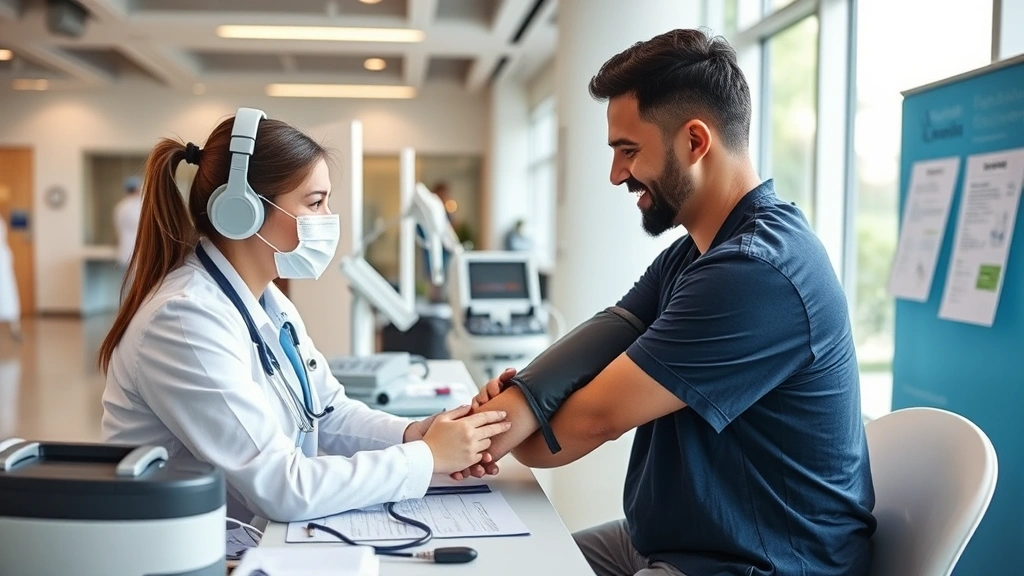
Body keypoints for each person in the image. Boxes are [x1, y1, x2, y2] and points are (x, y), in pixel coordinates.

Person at [460, 29, 876, 576]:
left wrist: (502, 428)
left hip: (758, 561)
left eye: (628, 151)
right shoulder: (695, 254)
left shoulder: (757, 271)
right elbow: (602, 338)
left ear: (695, 142)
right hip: (682, 536)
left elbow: (592, 421)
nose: (616, 175)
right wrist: (519, 403)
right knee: (503, 565)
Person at [98, 108, 508, 525]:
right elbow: (283, 487)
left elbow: (328, 412)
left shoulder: (268, 301)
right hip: (190, 553)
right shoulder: (185, 319)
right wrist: (426, 457)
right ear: (242, 211)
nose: (329, 219)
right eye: (315, 202)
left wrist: (413, 433)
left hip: (252, 534)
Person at [114, 175, 143, 268]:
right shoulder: (136, 205)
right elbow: (141, 225)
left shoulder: (121, 206)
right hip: (134, 252)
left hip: (125, 252)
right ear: (137, 188)